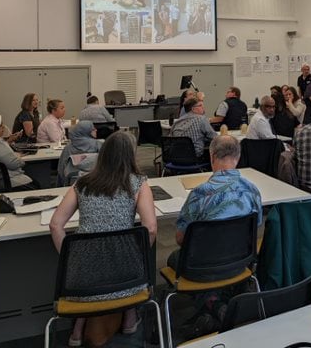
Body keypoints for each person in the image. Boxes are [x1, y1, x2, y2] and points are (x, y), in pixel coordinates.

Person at [49, 132, 157, 347]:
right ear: (131, 156)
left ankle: (77, 331)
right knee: (125, 260)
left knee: (98, 274)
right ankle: (130, 318)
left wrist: (70, 259)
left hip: (82, 278)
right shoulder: (138, 183)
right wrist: (138, 257)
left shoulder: (83, 183)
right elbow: (151, 228)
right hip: (128, 277)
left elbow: (55, 225)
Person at [168, 135, 262, 331]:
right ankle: (225, 300)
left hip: (202, 267)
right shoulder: (252, 190)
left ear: (211, 156)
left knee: (174, 259)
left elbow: (180, 239)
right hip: (241, 264)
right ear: (238, 157)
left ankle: (213, 304)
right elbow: (256, 226)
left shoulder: (200, 194)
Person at [57, 120, 102, 186]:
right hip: (97, 183)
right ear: (86, 131)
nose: (96, 130)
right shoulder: (99, 145)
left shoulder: (68, 148)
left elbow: (61, 170)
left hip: (72, 185)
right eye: (92, 128)